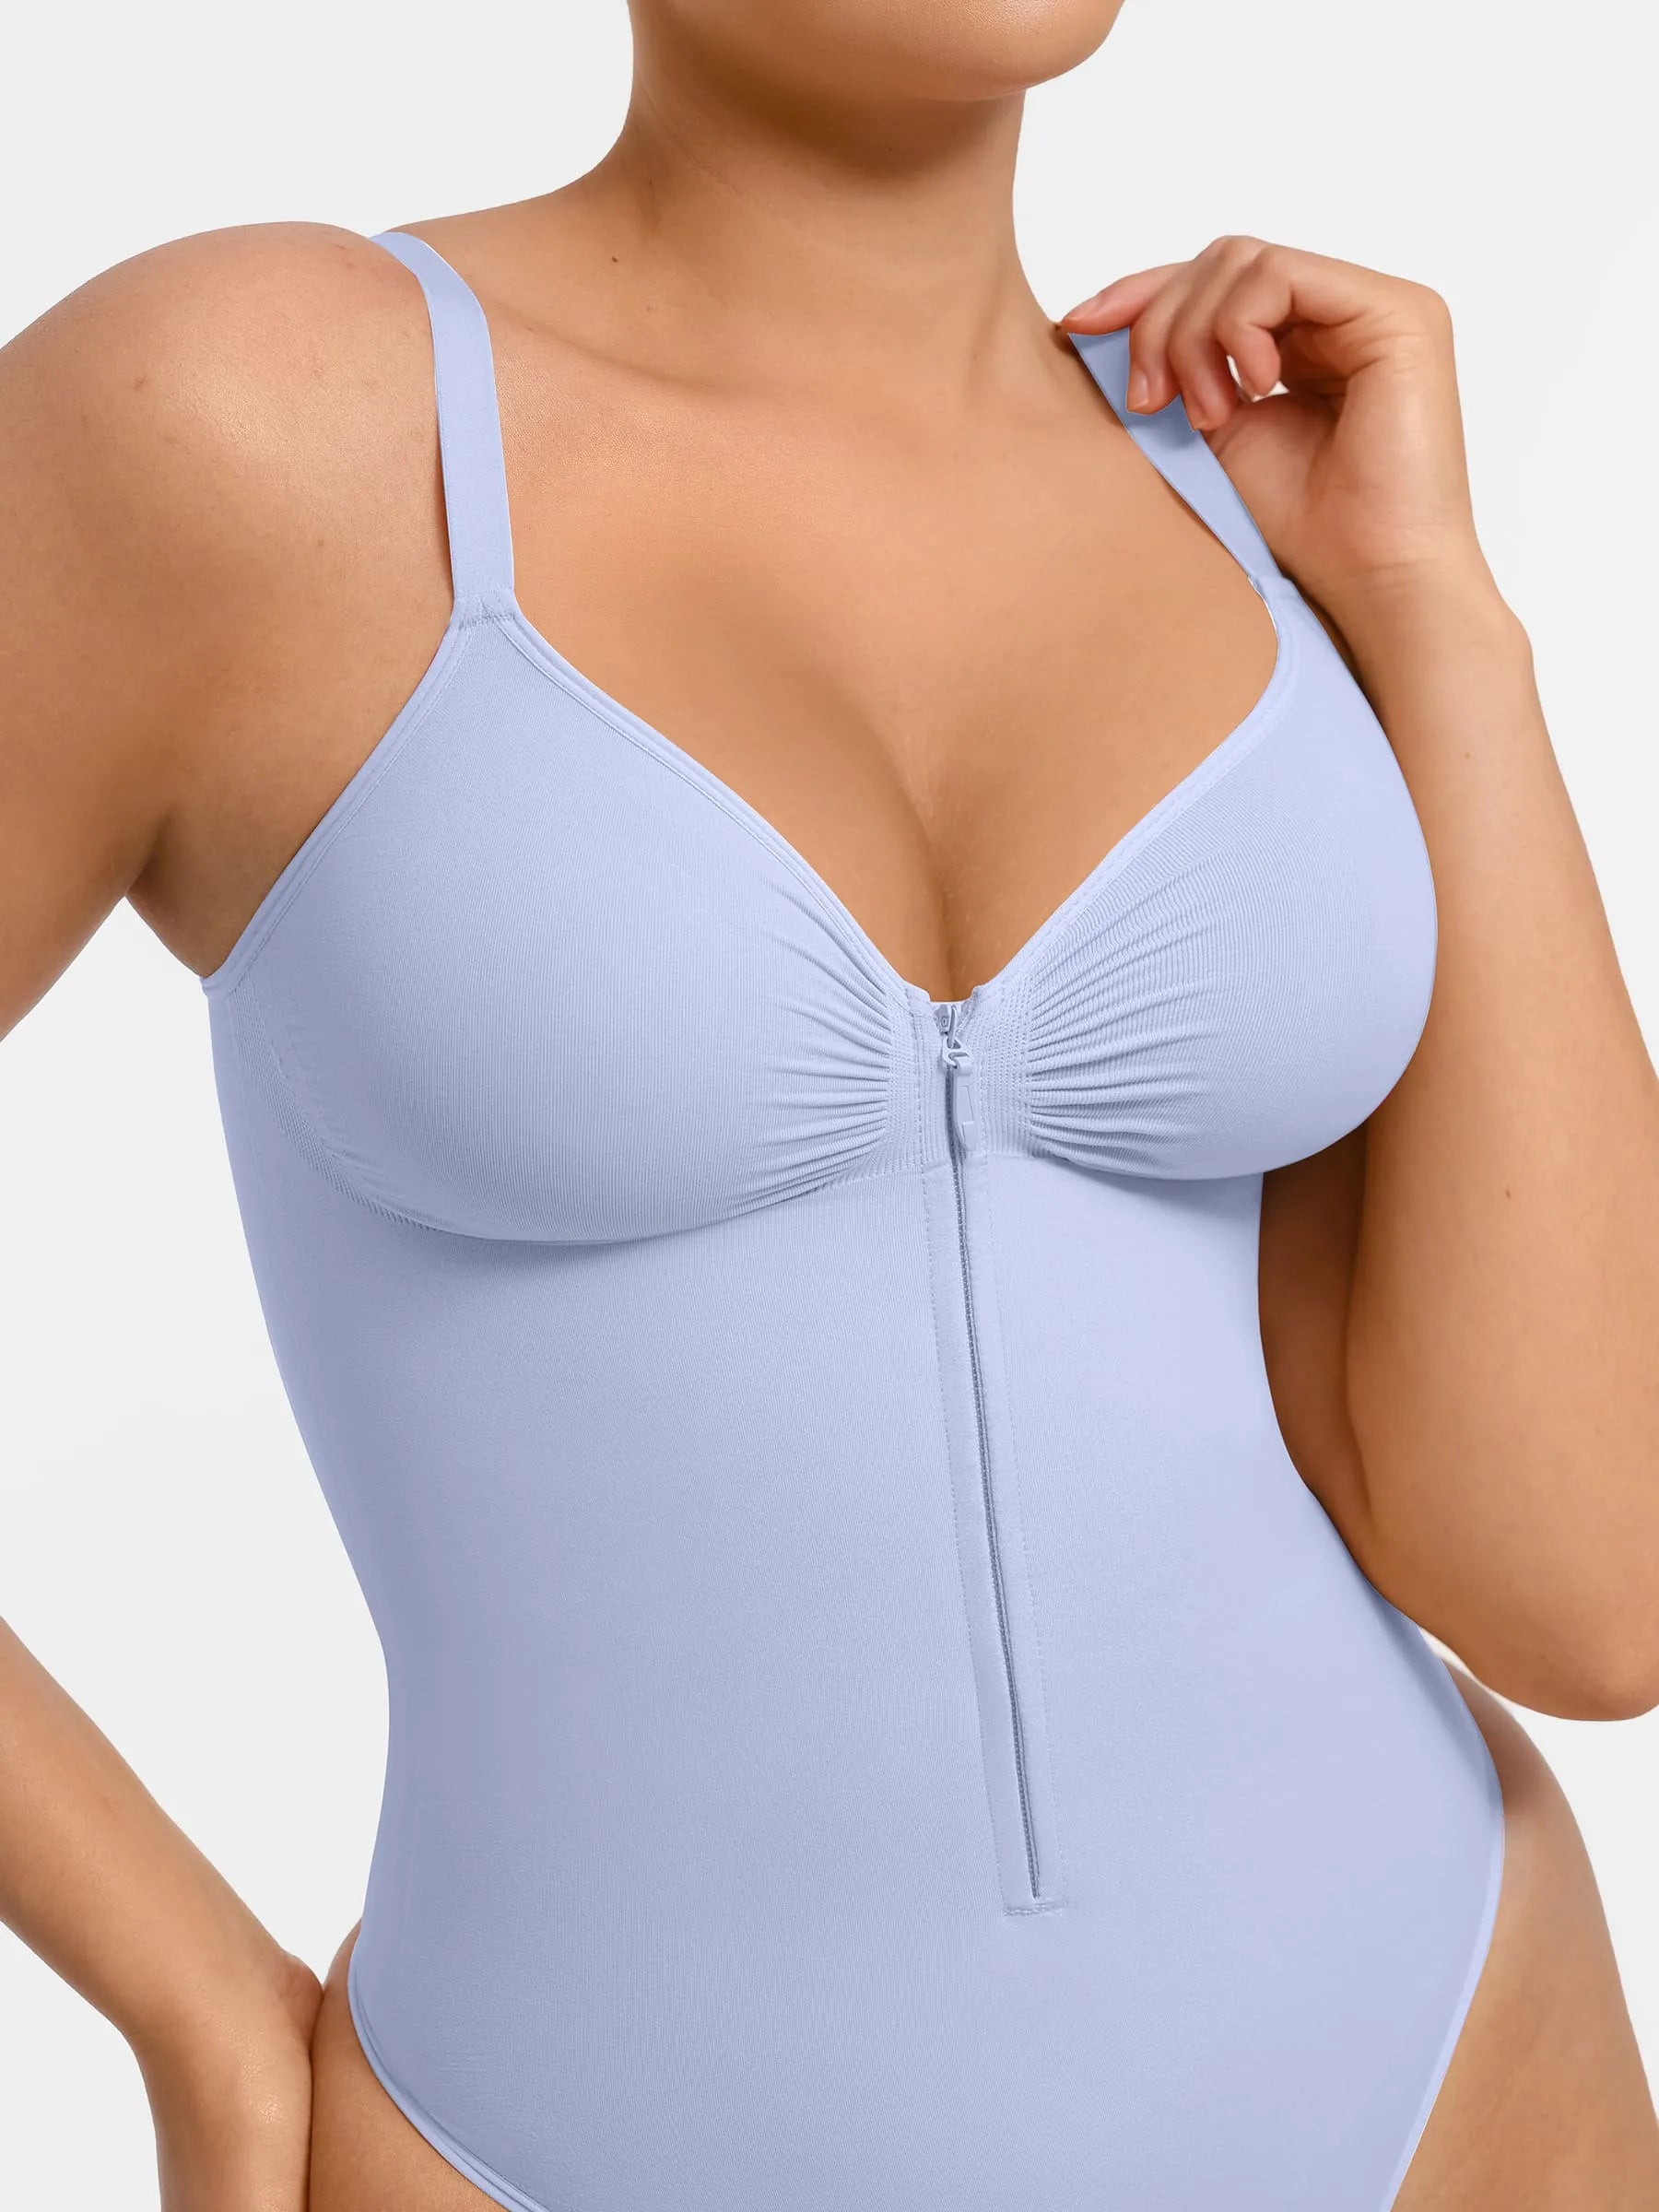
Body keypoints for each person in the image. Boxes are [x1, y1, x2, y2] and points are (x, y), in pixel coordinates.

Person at [3, 2, 1658, 2207]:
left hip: (1451, 2075)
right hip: (555, 2147)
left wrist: (1440, 615)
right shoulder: (252, 414)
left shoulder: (1254, 487)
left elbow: (1587, 1591)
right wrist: (194, 2006)